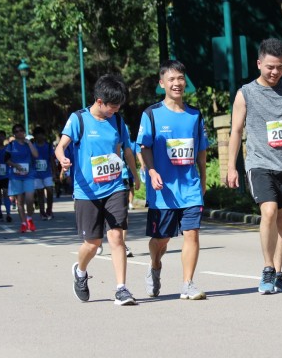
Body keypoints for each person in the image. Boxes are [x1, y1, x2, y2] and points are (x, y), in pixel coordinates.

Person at [226, 38, 282, 294]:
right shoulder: (245, 94)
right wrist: (231, 166)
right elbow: (235, 131)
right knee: (268, 211)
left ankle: (278, 273)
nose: (275, 72)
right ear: (259, 64)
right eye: (270, 67)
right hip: (259, 164)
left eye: (280, 67)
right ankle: (267, 268)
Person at [55, 74, 140, 306]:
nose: (116, 110)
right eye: (113, 106)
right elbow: (60, 146)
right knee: (93, 244)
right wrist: (63, 159)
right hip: (87, 192)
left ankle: (121, 289)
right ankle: (80, 271)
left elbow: (127, 150)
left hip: (115, 186)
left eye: (118, 106)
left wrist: (135, 175)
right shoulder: (78, 119)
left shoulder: (117, 121)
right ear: (100, 101)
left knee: (117, 237)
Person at [137, 59, 208, 300]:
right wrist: (151, 171)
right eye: (171, 79)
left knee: (192, 233)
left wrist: (203, 179)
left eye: (180, 78)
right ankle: (155, 265)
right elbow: (144, 147)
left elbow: (201, 150)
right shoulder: (152, 114)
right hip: (162, 189)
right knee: (161, 239)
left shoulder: (195, 115)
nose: (177, 83)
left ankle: (187, 284)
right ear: (162, 83)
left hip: (190, 187)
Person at [5, 124, 39, 232]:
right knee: (19, 201)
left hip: (29, 175)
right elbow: (6, 160)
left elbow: (36, 155)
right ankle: (23, 223)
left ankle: (29, 218)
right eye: (16, 131)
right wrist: (15, 165)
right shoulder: (11, 145)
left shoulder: (29, 144)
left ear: (24, 132)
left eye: (20, 130)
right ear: (14, 134)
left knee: (30, 199)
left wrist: (29, 143)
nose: (19, 132)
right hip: (16, 176)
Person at [32, 126, 56, 220]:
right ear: (35, 136)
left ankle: (49, 209)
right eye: (37, 134)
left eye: (41, 134)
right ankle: (42, 212)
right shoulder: (32, 146)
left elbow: (52, 160)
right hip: (36, 174)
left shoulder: (48, 146)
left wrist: (54, 172)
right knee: (40, 192)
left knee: (50, 190)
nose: (40, 136)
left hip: (47, 173)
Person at [0, 130, 12, 222]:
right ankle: (0, 212)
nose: (0, 138)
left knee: (5, 193)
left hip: (6, 175)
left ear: (4, 138)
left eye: (2, 136)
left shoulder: (8, 149)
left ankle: (8, 213)